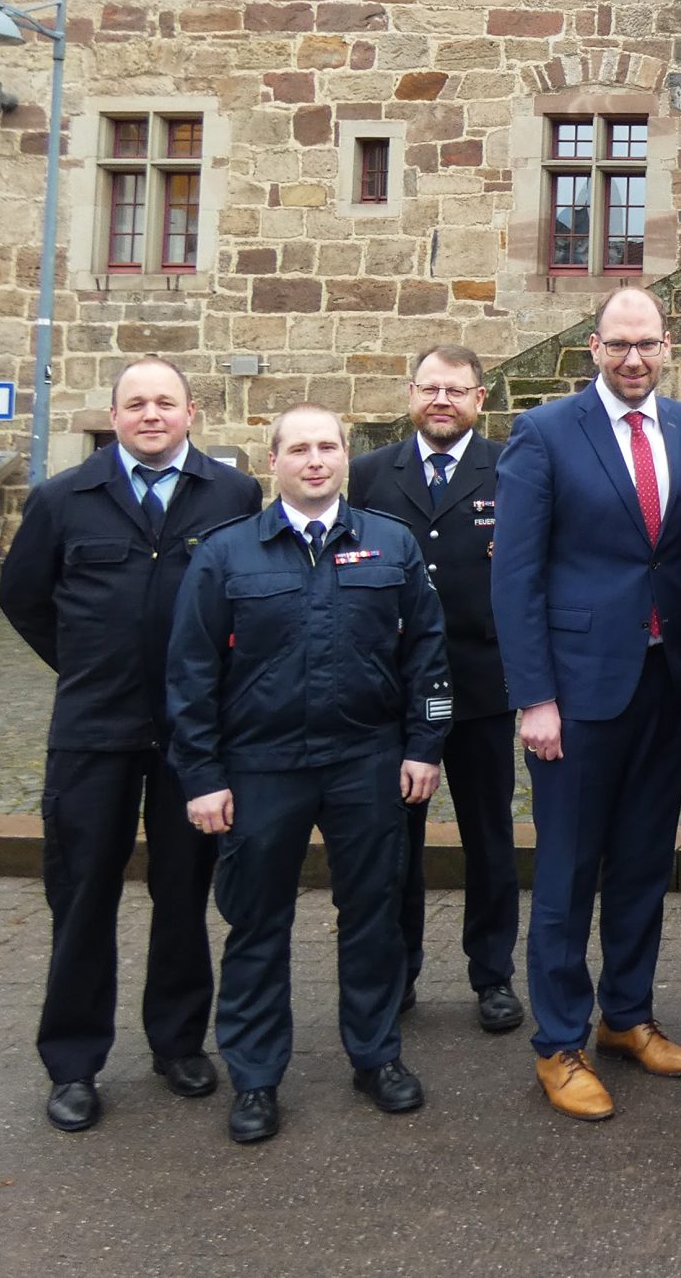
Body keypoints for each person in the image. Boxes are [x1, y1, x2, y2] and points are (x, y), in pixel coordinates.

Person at [163, 403, 451, 1145]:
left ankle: (376, 1055)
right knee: (257, 925)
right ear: (273, 462)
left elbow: (429, 654)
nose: (315, 459)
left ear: (347, 456)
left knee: (373, 917)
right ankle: (256, 1078)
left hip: (368, 761)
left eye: (327, 446)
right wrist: (201, 776)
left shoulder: (393, 544)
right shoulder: (225, 554)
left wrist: (425, 745)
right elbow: (190, 674)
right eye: (299, 448)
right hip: (262, 767)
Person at [0, 356, 261, 1133]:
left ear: (192, 413)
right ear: (114, 416)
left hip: (193, 736)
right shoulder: (62, 499)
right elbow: (23, 598)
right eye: (136, 404)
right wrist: (85, 664)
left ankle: (178, 1043)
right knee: (81, 896)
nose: (152, 415)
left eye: (166, 402)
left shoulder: (234, 495)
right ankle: (74, 1062)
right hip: (93, 732)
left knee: (184, 892)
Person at [493, 286, 681, 1120]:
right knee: (567, 870)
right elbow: (514, 576)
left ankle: (627, 1014)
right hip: (577, 695)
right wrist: (535, 699)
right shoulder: (544, 433)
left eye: (647, 345)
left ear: (668, 348)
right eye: (618, 344)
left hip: (667, 685)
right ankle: (559, 1042)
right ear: (594, 347)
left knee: (643, 864)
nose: (633, 359)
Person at [347, 345, 524, 1036]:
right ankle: (399, 970)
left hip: (483, 686)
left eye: (456, 389)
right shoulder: (366, 475)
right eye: (430, 389)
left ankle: (493, 975)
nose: (441, 400)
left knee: (490, 838)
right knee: (396, 841)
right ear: (410, 394)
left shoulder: (512, 469)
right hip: (393, 692)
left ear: (482, 398)